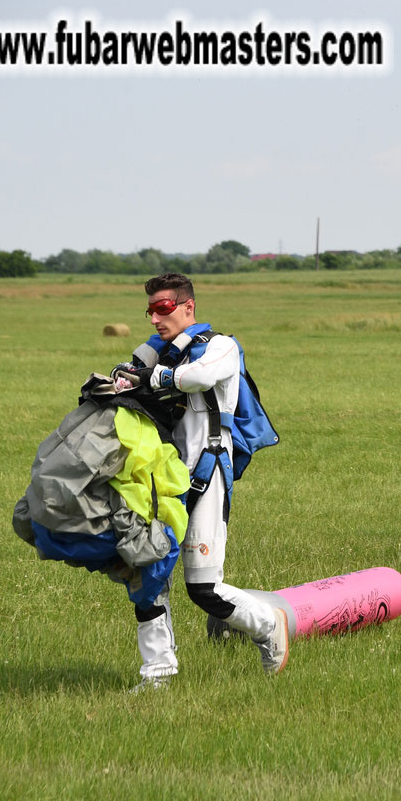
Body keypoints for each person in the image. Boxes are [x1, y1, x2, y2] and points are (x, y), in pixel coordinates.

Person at [118, 272, 289, 689]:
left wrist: (152, 379)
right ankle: (157, 673)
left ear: (188, 306)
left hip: (208, 471)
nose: (156, 319)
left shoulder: (220, 346)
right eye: (150, 311)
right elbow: (125, 373)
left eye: (164, 308)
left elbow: (198, 378)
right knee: (146, 575)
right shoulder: (155, 351)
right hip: (162, 478)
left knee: (203, 588)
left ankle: (268, 624)